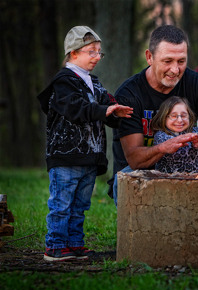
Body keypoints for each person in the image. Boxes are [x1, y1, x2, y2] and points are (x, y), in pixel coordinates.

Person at [109, 25, 198, 202]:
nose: (175, 70)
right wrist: (166, 147)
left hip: (190, 163)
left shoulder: (196, 83)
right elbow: (135, 159)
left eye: (181, 61)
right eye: (167, 61)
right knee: (125, 179)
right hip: (143, 171)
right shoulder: (129, 94)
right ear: (149, 57)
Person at [37, 26, 133, 261]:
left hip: (90, 156)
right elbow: (75, 109)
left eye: (99, 52)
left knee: (80, 205)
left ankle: (74, 243)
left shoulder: (94, 83)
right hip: (66, 156)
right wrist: (103, 110)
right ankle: (56, 245)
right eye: (91, 52)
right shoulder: (64, 82)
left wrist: (115, 112)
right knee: (62, 203)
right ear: (73, 53)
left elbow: (105, 108)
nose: (97, 57)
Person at [151, 96, 198, 173]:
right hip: (167, 178)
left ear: (189, 116)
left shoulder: (195, 131)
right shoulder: (160, 135)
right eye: (174, 116)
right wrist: (183, 140)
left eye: (184, 116)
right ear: (164, 118)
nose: (180, 120)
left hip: (192, 178)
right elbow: (174, 148)